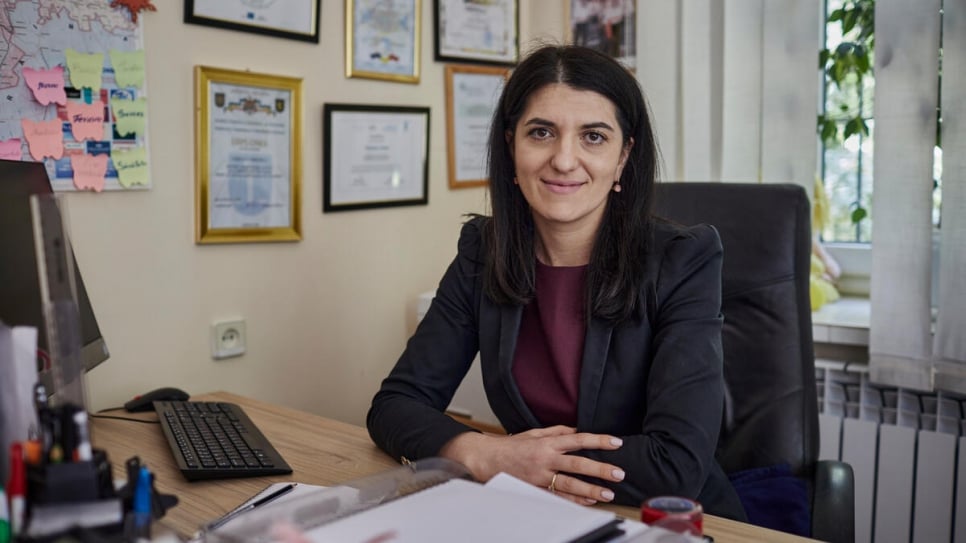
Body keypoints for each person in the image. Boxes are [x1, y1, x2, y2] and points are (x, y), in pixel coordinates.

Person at [367, 44, 746, 521]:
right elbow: (394, 406)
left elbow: (677, 466)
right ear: (512, 147)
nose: (564, 160)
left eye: (593, 136)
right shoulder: (482, 253)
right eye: (541, 132)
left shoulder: (682, 260)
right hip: (537, 515)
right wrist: (487, 454)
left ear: (624, 157)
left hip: (667, 521)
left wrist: (528, 465)